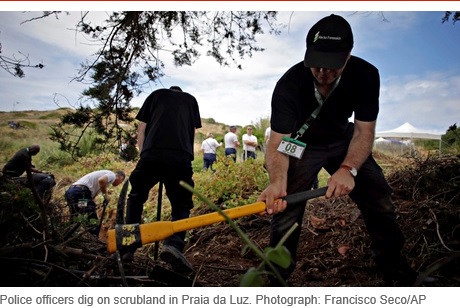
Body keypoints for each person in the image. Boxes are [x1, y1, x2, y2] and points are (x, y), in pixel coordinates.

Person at [258, 14, 419, 287]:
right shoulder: (289, 85)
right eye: (317, 64)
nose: (323, 72)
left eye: (333, 66)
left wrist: (348, 169)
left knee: (377, 194)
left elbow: (363, 131)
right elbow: (278, 143)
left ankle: (393, 267)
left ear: (348, 55)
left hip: (344, 139)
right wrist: (277, 182)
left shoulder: (366, 75)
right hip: (302, 144)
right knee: (287, 204)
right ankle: (276, 278)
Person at [122, 86, 201, 274]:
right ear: (180, 92)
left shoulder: (156, 95)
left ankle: (127, 246)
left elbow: (142, 128)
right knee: (181, 205)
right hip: (180, 157)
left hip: (152, 153)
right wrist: (186, 156)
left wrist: (144, 154)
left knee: (136, 197)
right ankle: (173, 245)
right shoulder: (191, 100)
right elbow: (191, 132)